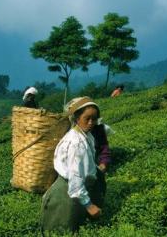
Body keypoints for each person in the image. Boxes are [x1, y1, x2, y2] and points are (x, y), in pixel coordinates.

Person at [41, 96, 103, 234]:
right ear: (77, 118)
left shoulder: (86, 135)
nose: (91, 122)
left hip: (75, 194)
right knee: (61, 232)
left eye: (94, 118)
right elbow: (75, 180)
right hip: (67, 196)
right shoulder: (76, 143)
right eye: (87, 118)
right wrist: (89, 205)